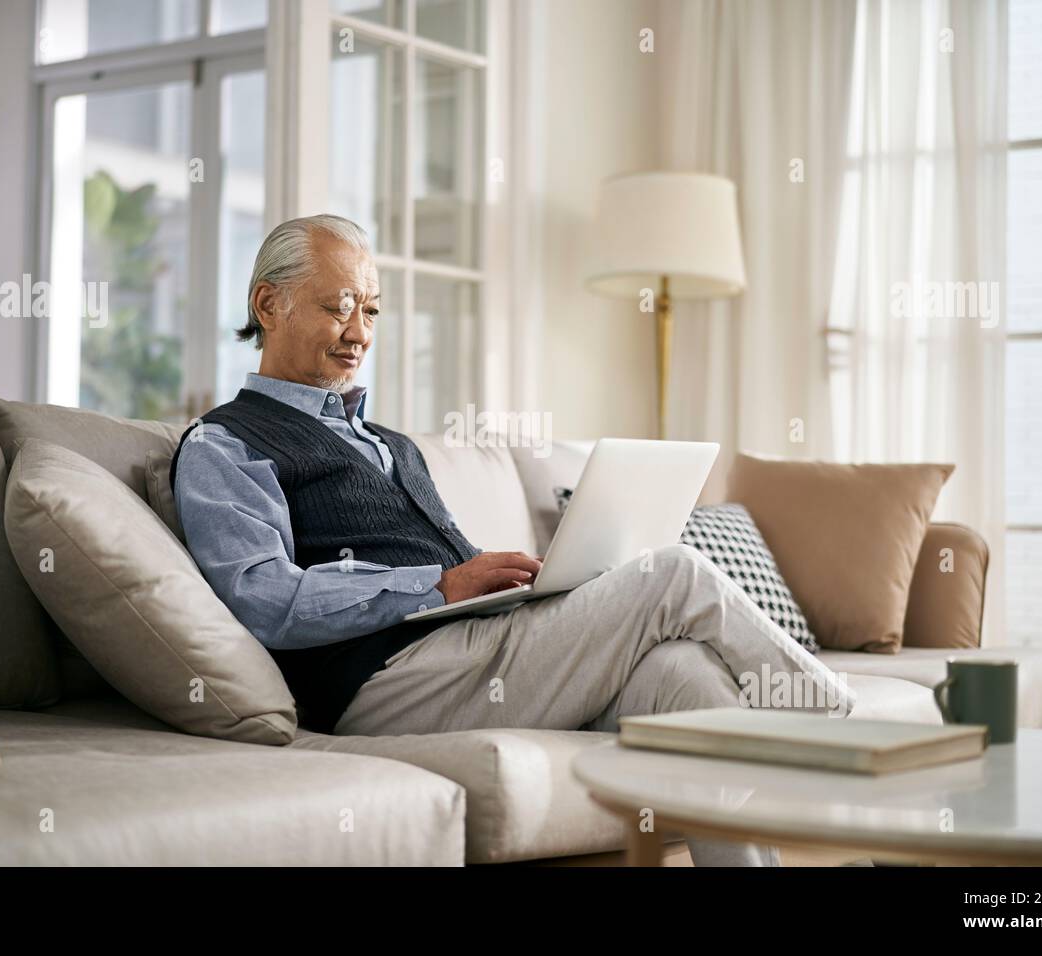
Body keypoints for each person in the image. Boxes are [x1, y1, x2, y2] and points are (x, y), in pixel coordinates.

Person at [171, 214, 855, 867]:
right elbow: (261, 597)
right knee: (671, 574)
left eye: (372, 311)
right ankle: (845, 741)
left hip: (469, 650)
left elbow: (455, 572)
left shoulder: (391, 445)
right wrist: (438, 585)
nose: (359, 332)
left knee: (685, 677)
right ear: (269, 304)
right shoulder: (226, 444)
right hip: (381, 681)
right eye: (339, 307)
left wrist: (518, 584)